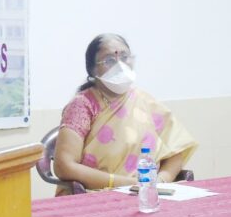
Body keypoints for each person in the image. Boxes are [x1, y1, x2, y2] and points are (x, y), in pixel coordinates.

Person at [53, 33, 197, 195]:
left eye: (124, 57)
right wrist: (125, 183)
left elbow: (176, 150)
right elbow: (64, 166)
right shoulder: (82, 105)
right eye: (109, 60)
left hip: (146, 194)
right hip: (95, 195)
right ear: (92, 70)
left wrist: (160, 181)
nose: (120, 65)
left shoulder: (144, 101)